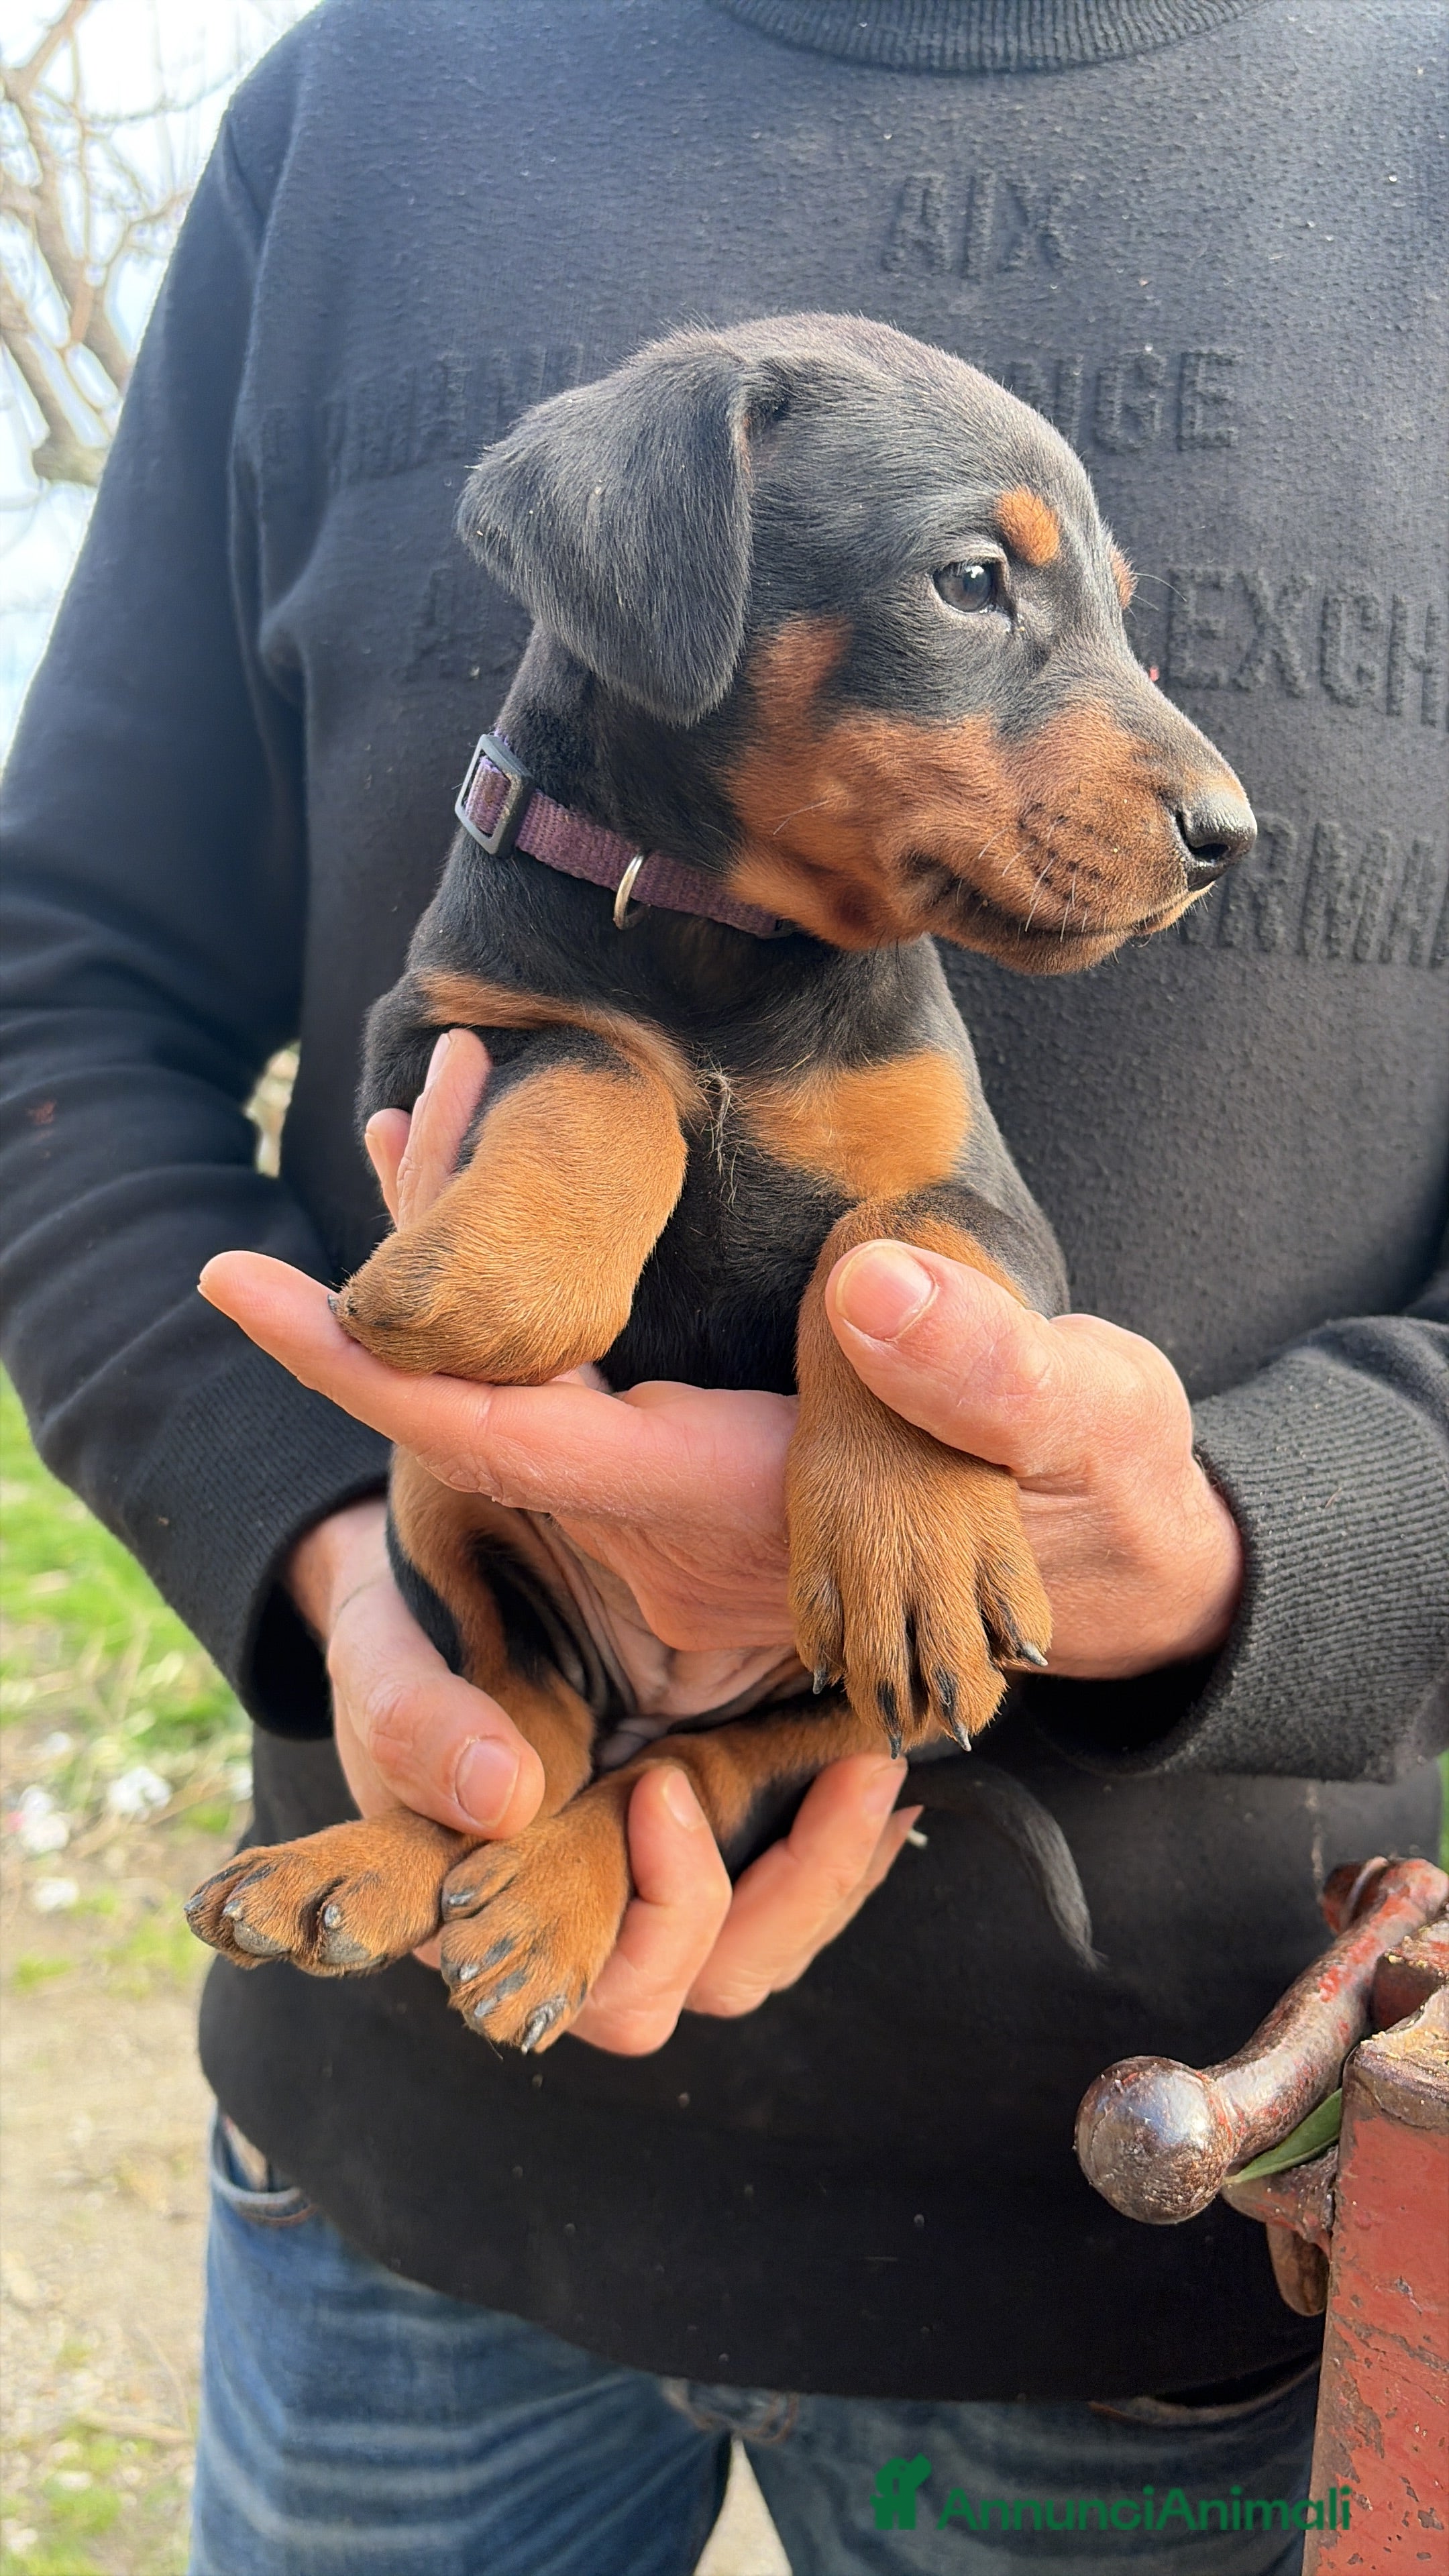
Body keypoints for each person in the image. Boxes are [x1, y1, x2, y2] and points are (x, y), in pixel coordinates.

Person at [1, 3, 1444, 2570]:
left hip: (1194, 2200)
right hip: (406, 2129)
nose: (1178, 771)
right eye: (997, 599)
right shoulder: (365, 111)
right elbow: (57, 983)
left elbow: (942, 1242)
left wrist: (1223, 1541)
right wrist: (340, 1556)